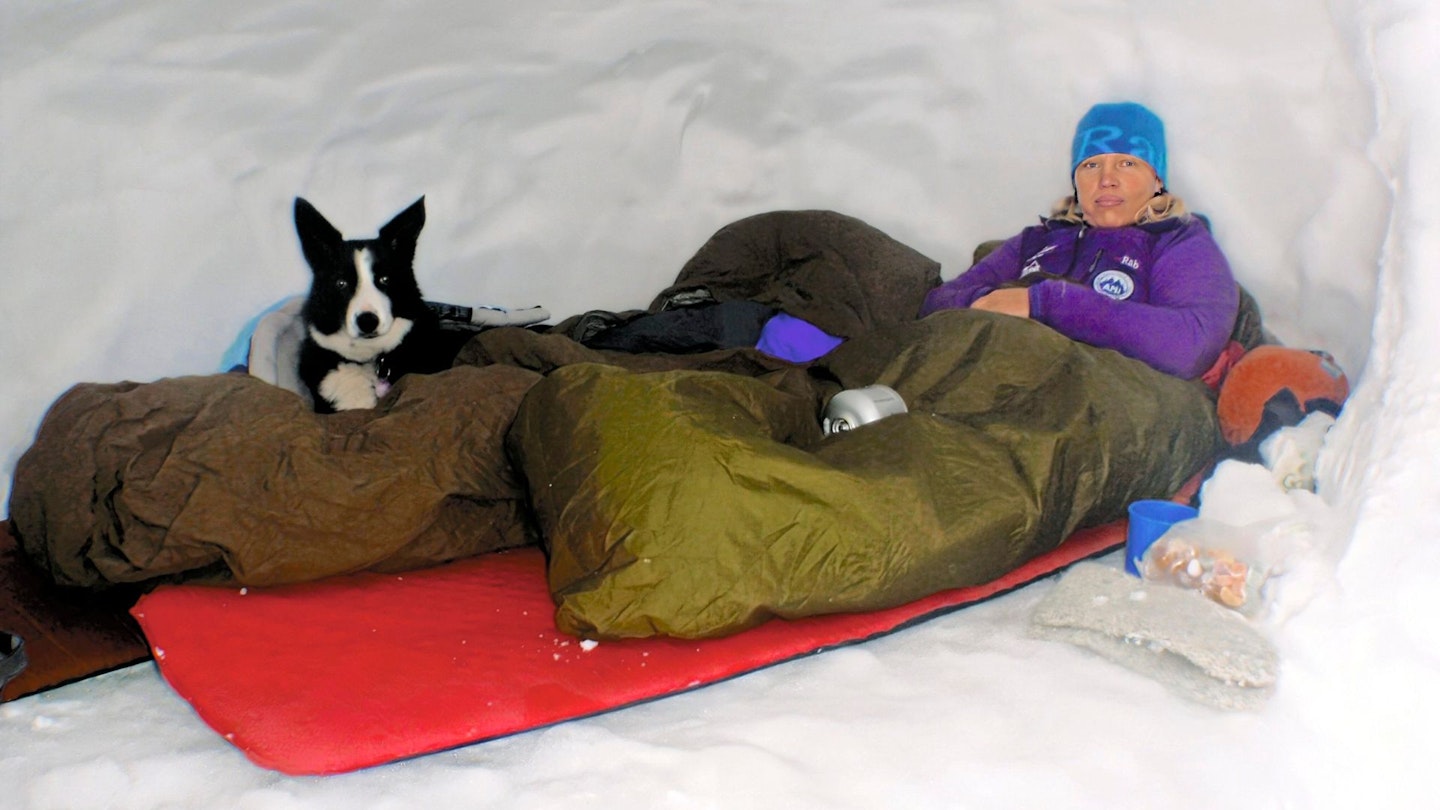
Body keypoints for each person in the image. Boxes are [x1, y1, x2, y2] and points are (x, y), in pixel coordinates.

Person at [920, 102, 1239, 380]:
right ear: (1076, 180)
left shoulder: (1178, 241)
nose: (1106, 179)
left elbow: (1190, 346)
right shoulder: (1039, 240)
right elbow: (936, 304)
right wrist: (991, 301)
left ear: (1157, 180)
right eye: (1091, 165)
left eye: (1127, 163)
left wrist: (1046, 303)